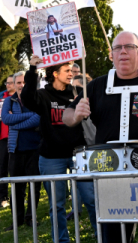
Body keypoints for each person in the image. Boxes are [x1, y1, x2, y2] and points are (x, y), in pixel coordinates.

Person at [63, 31, 138, 243]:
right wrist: (75, 115)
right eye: (117, 48)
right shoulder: (96, 86)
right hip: (110, 175)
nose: (123, 52)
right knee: (114, 236)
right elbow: (67, 115)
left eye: (129, 47)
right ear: (111, 55)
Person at [21, 58, 97, 243]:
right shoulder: (43, 95)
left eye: (72, 70)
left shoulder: (78, 93)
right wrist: (32, 68)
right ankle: (62, 240)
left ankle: (102, 235)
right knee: (57, 205)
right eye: (67, 70)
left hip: (79, 154)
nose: (72, 73)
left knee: (91, 199)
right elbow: (27, 98)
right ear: (55, 73)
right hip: (51, 157)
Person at [1, 72, 41, 231]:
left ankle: (30, 217)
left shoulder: (37, 98)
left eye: (24, 82)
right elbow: (6, 119)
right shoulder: (9, 101)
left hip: (35, 148)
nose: (21, 85)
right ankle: (17, 220)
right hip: (15, 149)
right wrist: (28, 118)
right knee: (17, 187)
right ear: (15, 84)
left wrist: (16, 123)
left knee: (34, 186)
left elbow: (38, 117)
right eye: (18, 82)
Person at [0, 74, 15, 208]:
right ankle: (3, 197)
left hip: (17, 136)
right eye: (7, 83)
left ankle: (17, 198)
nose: (8, 85)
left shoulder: (21, 97)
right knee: (2, 168)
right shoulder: (1, 96)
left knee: (15, 169)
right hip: (3, 138)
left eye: (10, 83)